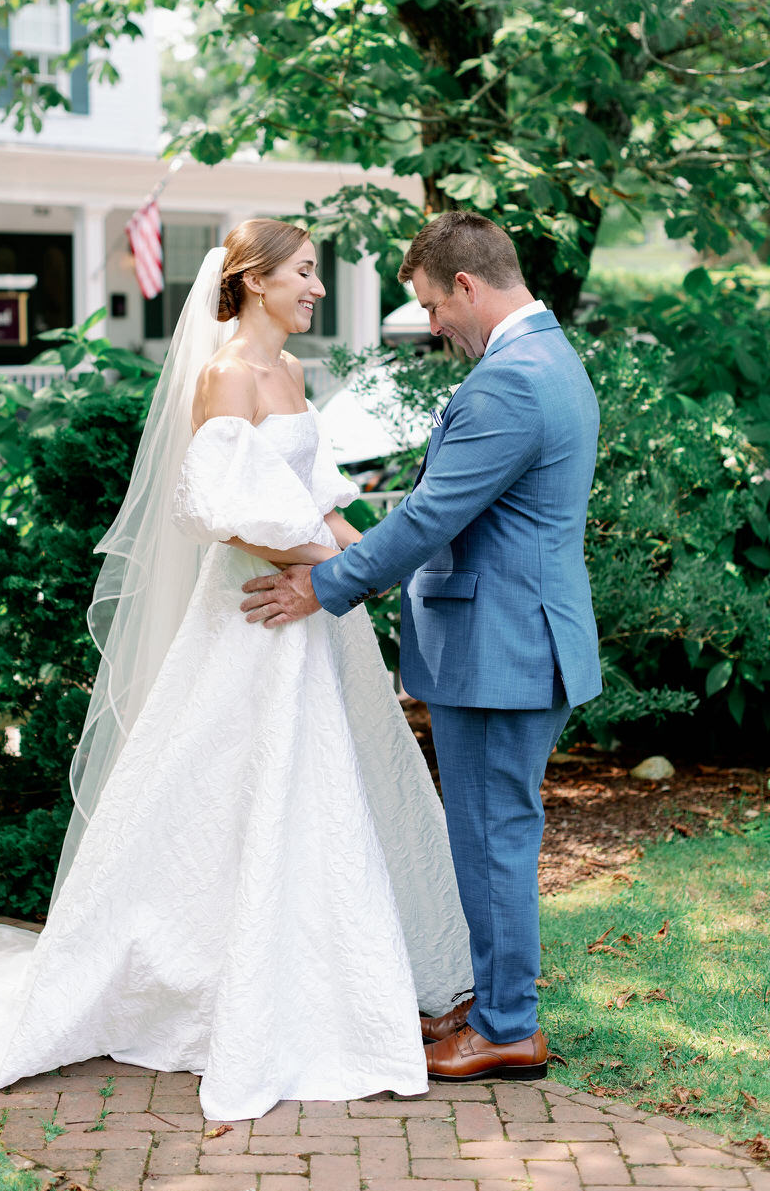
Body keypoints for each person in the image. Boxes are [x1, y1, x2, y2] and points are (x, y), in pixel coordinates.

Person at [0, 218, 472, 1121]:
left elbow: (317, 496)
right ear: (256, 278)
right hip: (251, 615)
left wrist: (378, 561)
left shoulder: (296, 374)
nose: (316, 287)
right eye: (306, 272)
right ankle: (203, 986)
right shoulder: (223, 374)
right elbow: (221, 509)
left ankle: (325, 976)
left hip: (311, 615)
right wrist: (326, 564)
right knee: (226, 791)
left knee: (322, 790)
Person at [241, 211, 602, 1083]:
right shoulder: (545, 357)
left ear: (468, 287)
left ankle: (508, 1025)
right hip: (517, 638)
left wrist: (323, 585)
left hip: (500, 645)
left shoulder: (510, 380)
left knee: (492, 836)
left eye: (434, 305)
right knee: (493, 830)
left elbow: (435, 514)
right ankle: (493, 1003)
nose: (433, 323)